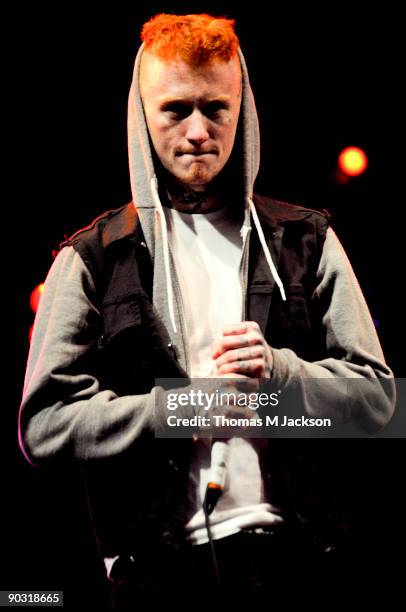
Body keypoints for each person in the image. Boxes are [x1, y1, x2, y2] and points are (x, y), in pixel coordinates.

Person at [19, 13, 395, 608]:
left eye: (216, 109)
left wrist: (282, 374)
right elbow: (42, 426)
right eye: (175, 110)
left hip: (303, 562)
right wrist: (177, 409)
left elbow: (380, 402)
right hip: (158, 577)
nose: (198, 130)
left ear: (240, 108)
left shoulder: (304, 239)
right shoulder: (92, 258)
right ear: (142, 114)